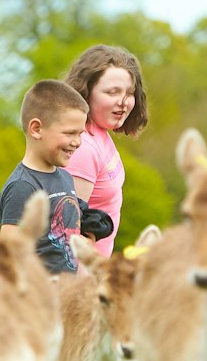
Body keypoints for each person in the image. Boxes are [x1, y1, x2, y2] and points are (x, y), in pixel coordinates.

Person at [0, 79, 88, 361]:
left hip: (67, 305)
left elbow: (62, 236)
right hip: (37, 310)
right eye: (69, 134)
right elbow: (11, 257)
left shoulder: (63, 178)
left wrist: (87, 220)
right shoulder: (22, 187)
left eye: (81, 134)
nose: (77, 143)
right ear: (36, 129)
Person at [62, 44, 149, 257]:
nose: (123, 102)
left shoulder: (100, 131)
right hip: (82, 277)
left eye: (129, 93)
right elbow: (69, 235)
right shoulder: (82, 147)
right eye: (112, 92)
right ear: (85, 91)